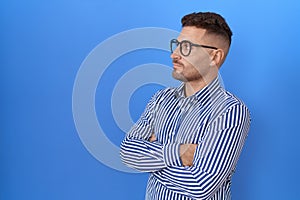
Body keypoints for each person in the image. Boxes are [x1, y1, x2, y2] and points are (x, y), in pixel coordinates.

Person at [120, 12, 251, 200]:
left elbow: (200, 186)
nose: (174, 54)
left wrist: (152, 158)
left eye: (187, 47)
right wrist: (180, 152)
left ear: (214, 57)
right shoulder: (161, 99)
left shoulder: (230, 111)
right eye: (176, 45)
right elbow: (127, 152)